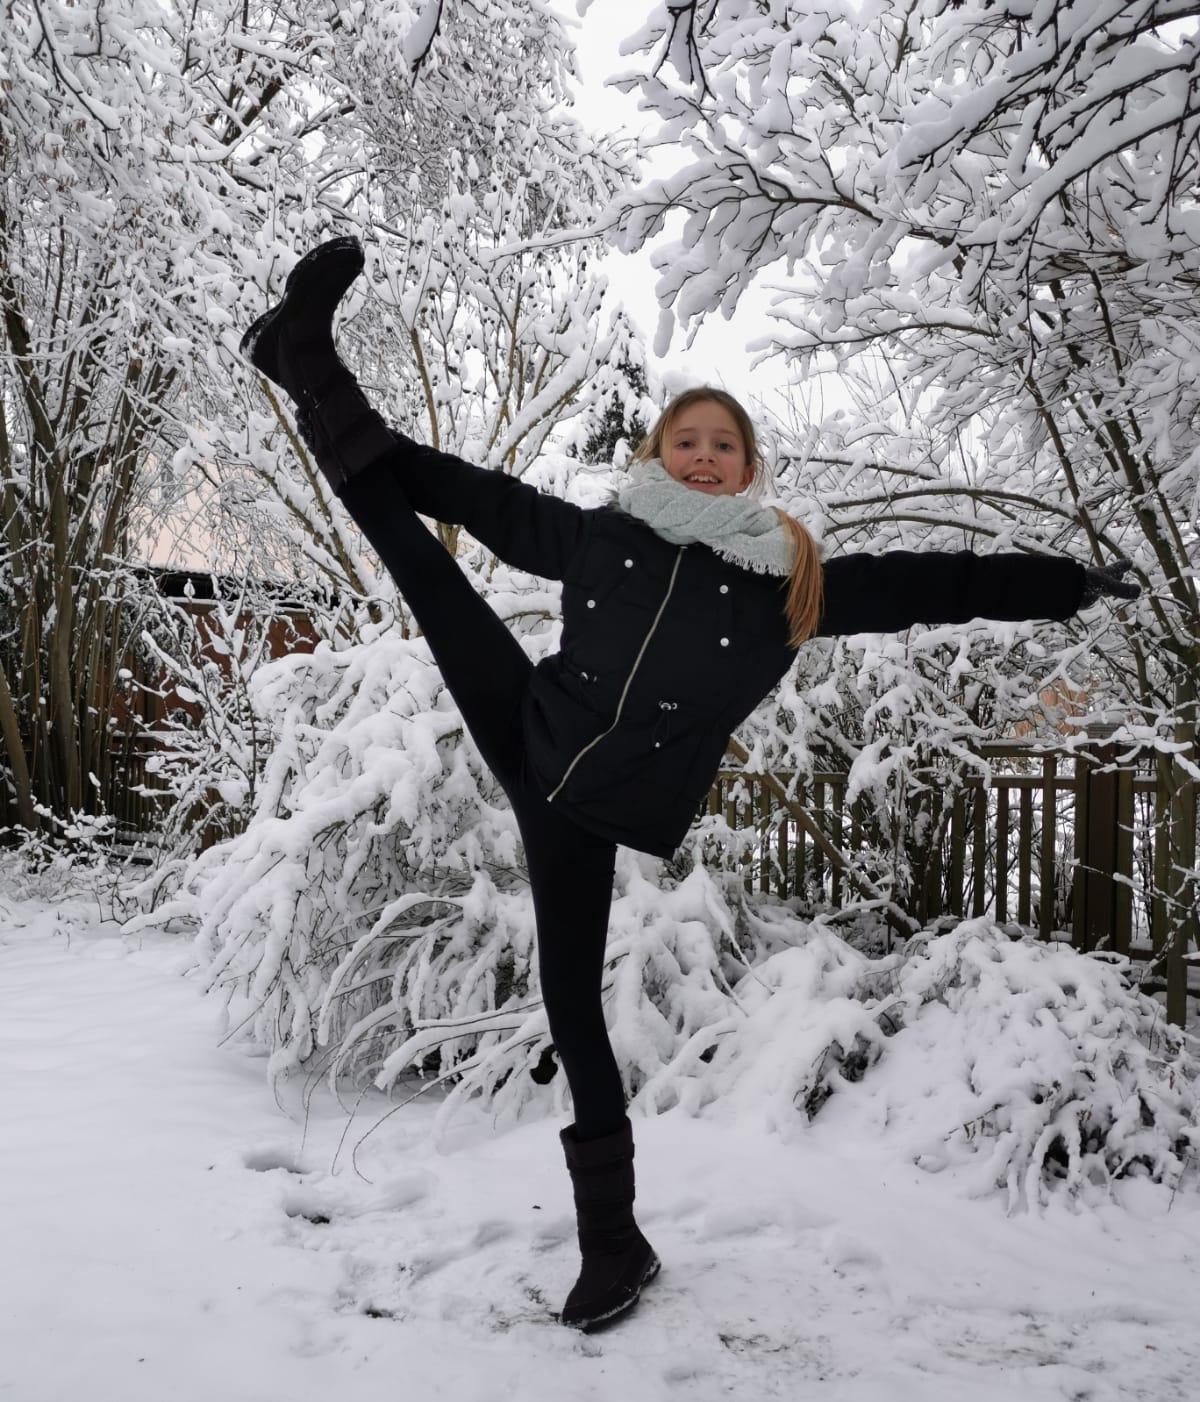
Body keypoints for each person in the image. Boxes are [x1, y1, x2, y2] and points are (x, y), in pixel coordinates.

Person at [240, 236, 1138, 1334]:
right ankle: (306, 363)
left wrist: (1060, 586)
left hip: (588, 810)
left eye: (724, 445)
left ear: (746, 467)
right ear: (660, 455)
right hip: (530, 720)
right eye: (687, 440)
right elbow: (463, 494)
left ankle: (613, 1245)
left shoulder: (787, 594)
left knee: (575, 1013)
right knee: (421, 558)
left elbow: (924, 582)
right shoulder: (602, 539)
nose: (704, 455)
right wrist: (370, 442)